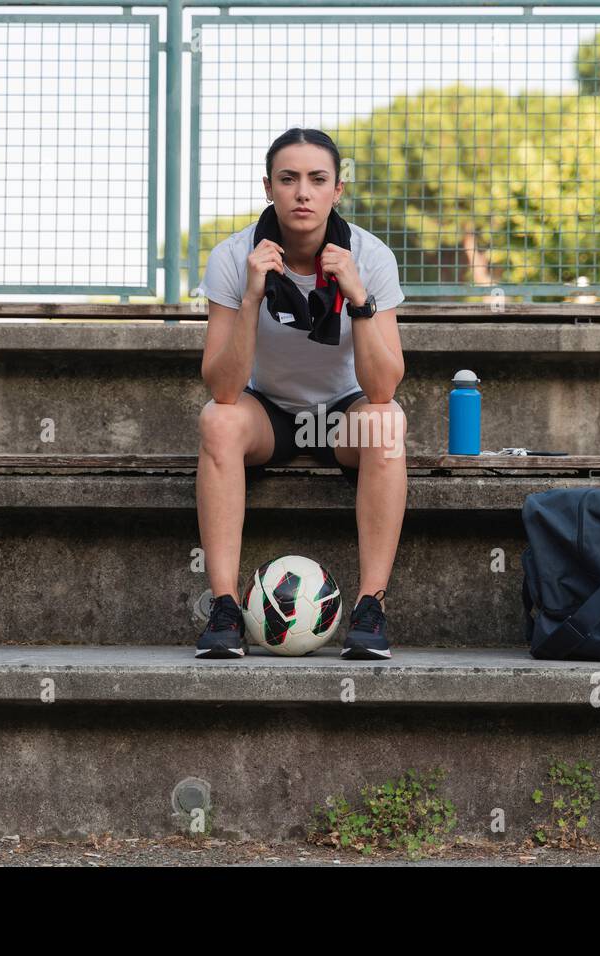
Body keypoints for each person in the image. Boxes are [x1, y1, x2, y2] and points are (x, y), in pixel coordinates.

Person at [193, 128, 407, 660]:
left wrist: (359, 299)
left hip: (342, 415)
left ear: (338, 190)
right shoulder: (235, 255)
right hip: (269, 414)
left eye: (317, 180)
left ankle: (371, 607)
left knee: (387, 422)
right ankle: (223, 607)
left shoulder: (370, 256)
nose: (303, 193)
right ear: (269, 187)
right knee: (217, 421)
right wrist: (250, 298)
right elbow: (222, 387)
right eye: (288, 179)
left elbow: (382, 387)